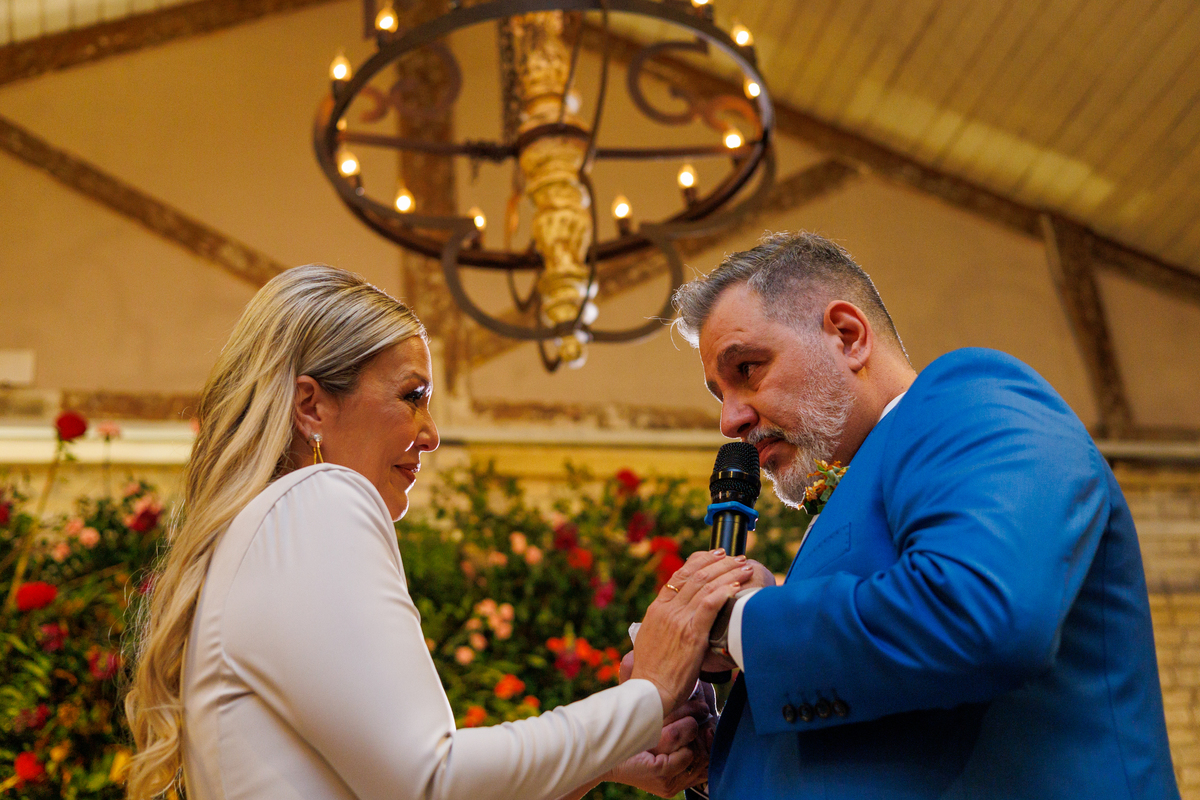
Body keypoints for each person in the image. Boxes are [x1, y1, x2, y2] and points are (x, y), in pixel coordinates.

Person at [123, 264, 749, 800]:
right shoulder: (319, 499)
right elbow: (430, 780)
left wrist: (606, 757)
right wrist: (649, 691)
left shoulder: (264, 530)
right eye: (412, 396)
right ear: (311, 406)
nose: (431, 434)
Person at [668, 231, 1179, 798]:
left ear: (847, 336)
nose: (730, 421)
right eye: (719, 394)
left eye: (747, 368)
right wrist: (716, 757)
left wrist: (734, 623)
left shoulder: (969, 398)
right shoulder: (859, 486)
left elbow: (982, 611)